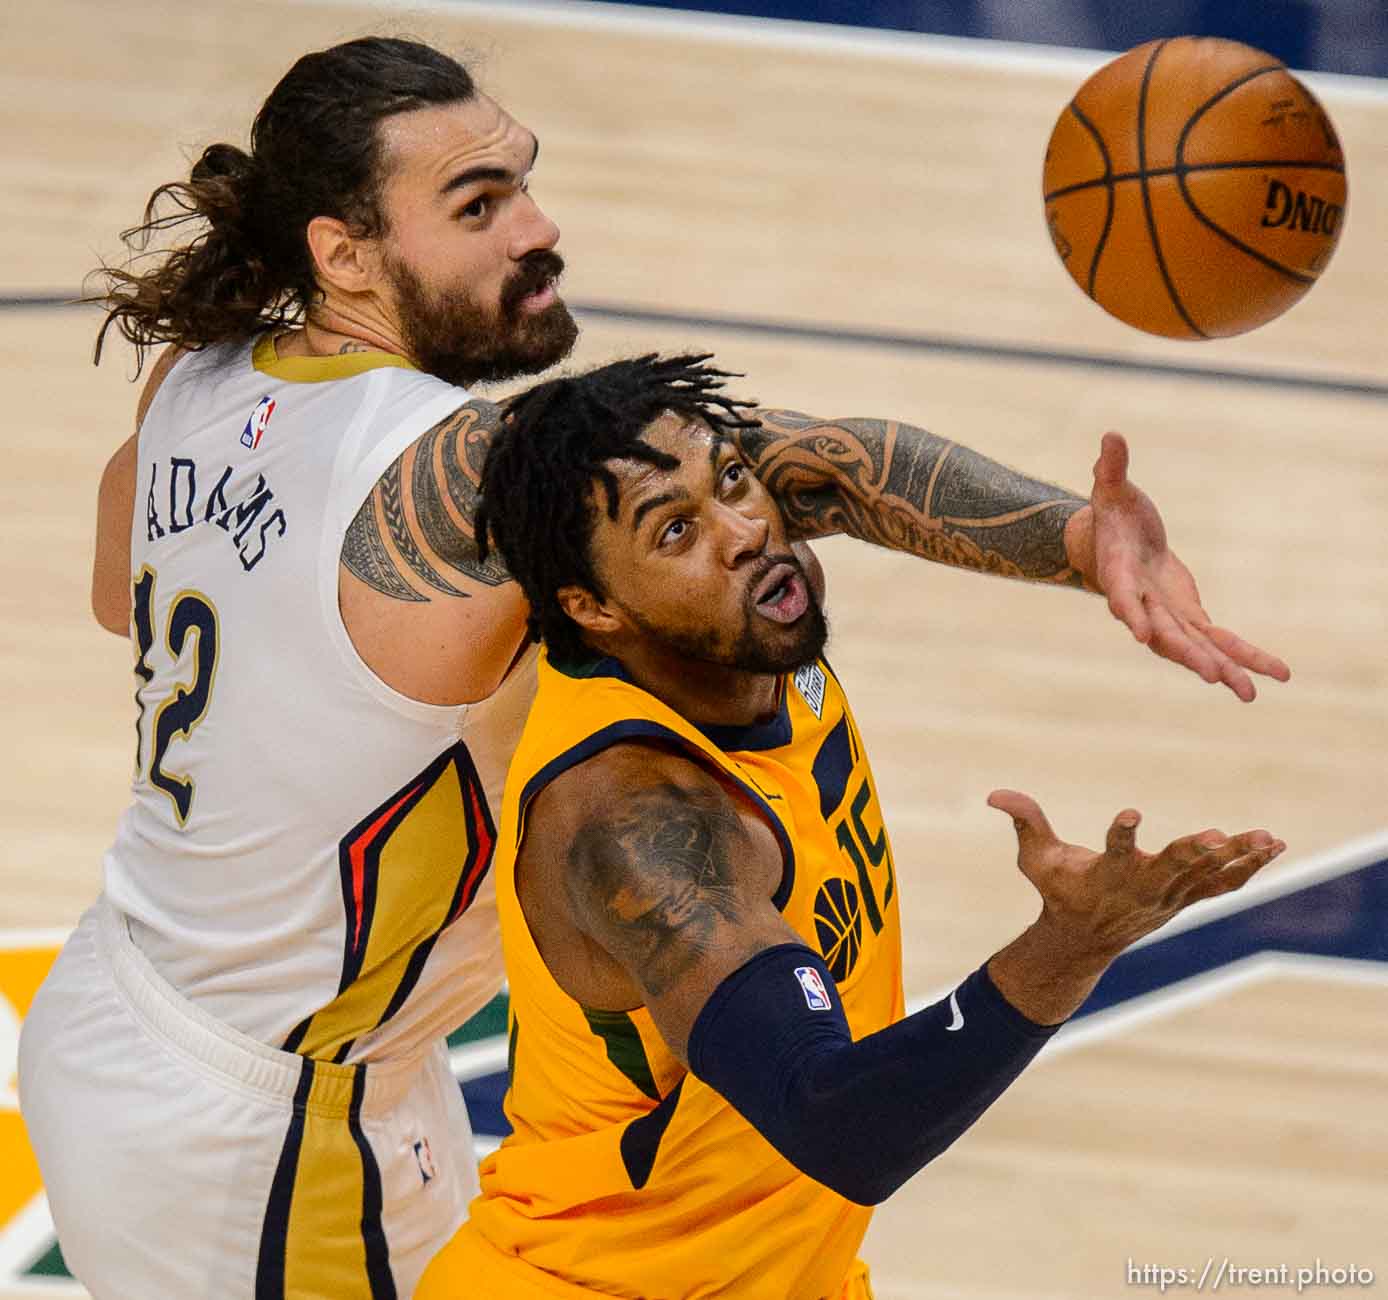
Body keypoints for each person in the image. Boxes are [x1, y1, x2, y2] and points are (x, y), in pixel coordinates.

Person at [16, 34, 1287, 1300]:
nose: (536, 227)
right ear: (342, 251)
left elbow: (111, 591)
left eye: (521, 179)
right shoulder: (448, 473)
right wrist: (1078, 538)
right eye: (479, 206)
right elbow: (819, 468)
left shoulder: (210, 368)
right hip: (269, 1119)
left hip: (168, 998)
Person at [417, 355, 1285, 1299]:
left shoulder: (749, 614)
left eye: (734, 482)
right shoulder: (638, 821)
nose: (746, 533)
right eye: (676, 531)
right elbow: (842, 1125)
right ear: (594, 609)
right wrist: (1072, 945)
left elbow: (851, 467)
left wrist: (1080, 540)